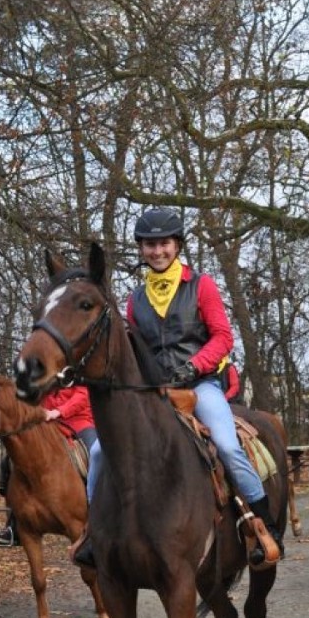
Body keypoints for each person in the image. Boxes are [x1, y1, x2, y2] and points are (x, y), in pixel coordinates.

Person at [72, 207, 282, 567]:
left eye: (164, 244)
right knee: (97, 453)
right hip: (154, 391)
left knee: (228, 447)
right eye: (150, 245)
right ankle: (93, 532)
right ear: (141, 249)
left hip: (200, 386)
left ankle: (264, 525)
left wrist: (193, 366)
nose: (157, 251)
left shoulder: (202, 286)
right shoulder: (135, 299)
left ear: (177, 245)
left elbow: (223, 337)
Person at [0, 384, 96, 548]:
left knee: (96, 455)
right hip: (50, 426)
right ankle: (14, 524)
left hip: (80, 423)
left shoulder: (75, 369)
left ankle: (97, 512)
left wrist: (59, 411)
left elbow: (82, 396)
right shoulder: (45, 372)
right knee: (11, 459)